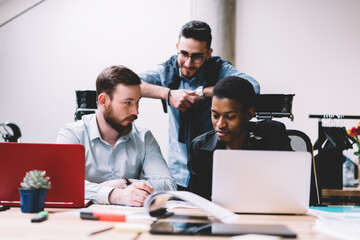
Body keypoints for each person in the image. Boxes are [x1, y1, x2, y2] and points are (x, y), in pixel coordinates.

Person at [139, 20, 260, 190]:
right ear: (177, 47)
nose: (188, 63)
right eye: (183, 54)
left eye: (197, 56)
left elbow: (253, 87)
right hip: (177, 172)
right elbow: (128, 84)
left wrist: (204, 93)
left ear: (208, 53)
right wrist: (168, 94)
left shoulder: (219, 69)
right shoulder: (166, 70)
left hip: (211, 169)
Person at [56, 65, 176, 206]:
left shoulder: (144, 137)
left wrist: (125, 183)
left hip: (131, 224)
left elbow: (169, 185)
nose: (136, 111)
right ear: (103, 101)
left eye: (137, 102)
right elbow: (63, 183)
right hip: (82, 222)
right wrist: (114, 195)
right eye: (128, 103)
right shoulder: (71, 135)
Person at [187, 76, 292, 200]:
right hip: (217, 217)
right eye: (215, 115)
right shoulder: (200, 147)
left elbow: (290, 185)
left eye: (230, 116)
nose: (220, 124)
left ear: (249, 114)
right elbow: (198, 201)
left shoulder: (272, 134)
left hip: (269, 215)